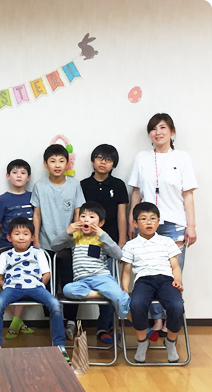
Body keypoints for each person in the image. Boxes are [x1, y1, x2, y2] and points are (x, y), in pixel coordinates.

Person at [127, 113, 197, 337]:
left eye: (162, 128)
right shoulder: (142, 158)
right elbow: (136, 192)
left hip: (174, 224)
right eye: (153, 129)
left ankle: (170, 320)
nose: (158, 132)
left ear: (172, 132)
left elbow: (187, 194)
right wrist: (132, 220)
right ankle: (156, 320)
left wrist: (191, 225)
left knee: (172, 275)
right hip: (146, 224)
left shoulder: (182, 158)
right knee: (148, 270)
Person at [0, 217, 69, 360]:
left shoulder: (38, 253)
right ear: (9, 237)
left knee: (55, 304)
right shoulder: (5, 255)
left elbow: (47, 274)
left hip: (36, 287)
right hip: (12, 288)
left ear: (32, 237)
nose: (21, 237)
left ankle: (59, 346)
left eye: (25, 234)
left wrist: (37, 284)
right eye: (17, 234)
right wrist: (6, 286)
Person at [31, 144, 85, 340]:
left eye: (61, 161)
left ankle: (70, 321)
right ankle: (54, 321)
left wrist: (77, 238)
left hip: (69, 244)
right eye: (52, 161)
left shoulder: (74, 185)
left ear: (67, 164)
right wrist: (36, 240)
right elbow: (36, 214)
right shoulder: (40, 186)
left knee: (71, 282)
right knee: (47, 284)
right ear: (45, 164)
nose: (57, 165)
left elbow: (78, 212)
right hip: (45, 243)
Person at [121, 202, 184, 363]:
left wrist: (177, 280)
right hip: (144, 281)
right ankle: (142, 342)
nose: (148, 222)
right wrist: (124, 289)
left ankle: (170, 342)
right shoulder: (130, 245)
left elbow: (175, 266)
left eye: (152, 218)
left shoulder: (167, 241)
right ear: (135, 223)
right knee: (136, 304)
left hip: (166, 280)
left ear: (158, 222)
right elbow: (126, 271)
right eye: (143, 219)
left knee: (176, 306)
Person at [50, 201, 130, 325]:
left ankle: (130, 319)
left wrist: (103, 235)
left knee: (119, 294)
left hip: (102, 278)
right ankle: (101, 294)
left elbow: (118, 255)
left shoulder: (103, 238)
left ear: (101, 223)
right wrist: (67, 232)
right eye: (83, 216)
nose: (86, 219)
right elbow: (54, 246)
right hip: (81, 281)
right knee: (67, 289)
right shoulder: (75, 237)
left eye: (91, 217)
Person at [80, 145, 129, 343]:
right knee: (95, 282)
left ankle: (106, 326)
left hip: (111, 242)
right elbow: (78, 214)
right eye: (99, 158)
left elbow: (121, 215)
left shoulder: (118, 185)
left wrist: (122, 240)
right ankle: (103, 327)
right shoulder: (83, 185)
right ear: (93, 160)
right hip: (87, 245)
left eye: (108, 160)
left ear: (113, 164)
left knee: (110, 284)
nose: (103, 162)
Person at [0, 159, 35, 339]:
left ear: (28, 177)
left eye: (23, 173)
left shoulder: (33, 196)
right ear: (8, 176)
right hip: (6, 248)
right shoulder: (2, 199)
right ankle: (18, 322)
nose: (19, 176)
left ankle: (16, 323)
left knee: (23, 280)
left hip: (29, 249)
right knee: (3, 283)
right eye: (15, 172)